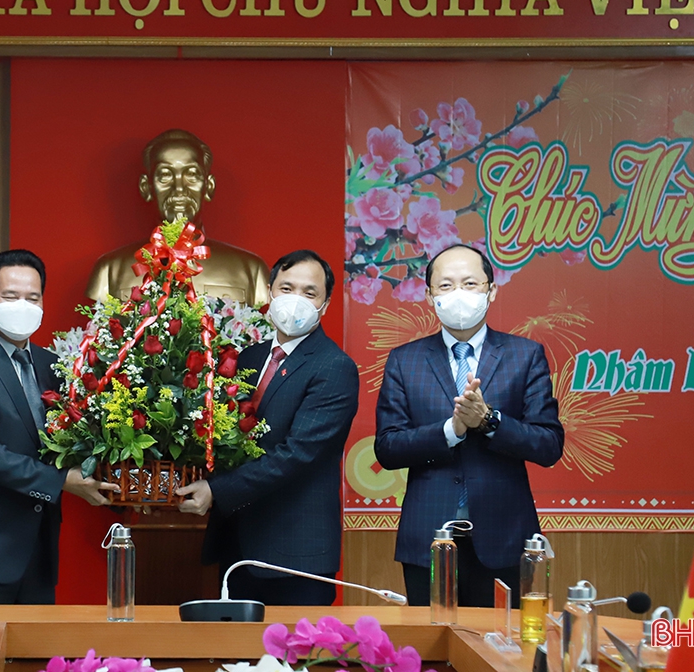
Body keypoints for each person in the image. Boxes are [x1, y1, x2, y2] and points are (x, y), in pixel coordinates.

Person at [374, 244, 563, 608]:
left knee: (501, 642)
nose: (458, 293)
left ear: (491, 291)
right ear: (429, 296)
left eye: (470, 283)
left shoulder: (525, 355)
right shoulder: (404, 360)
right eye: (446, 285)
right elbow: (388, 447)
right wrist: (452, 430)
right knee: (430, 641)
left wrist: (490, 421)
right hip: (429, 536)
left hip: (505, 537)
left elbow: (549, 444)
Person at [0, 249, 118, 604]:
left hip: (37, 552)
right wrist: (61, 482)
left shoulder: (52, 365)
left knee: (33, 642)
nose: (23, 306)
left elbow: (69, 440)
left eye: (32, 298)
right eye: (11, 296)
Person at [177, 250, 359, 605]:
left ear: (325, 305)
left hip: (295, 554)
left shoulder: (334, 367)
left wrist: (216, 490)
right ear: (271, 293)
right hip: (237, 545)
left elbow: (297, 454)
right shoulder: (249, 357)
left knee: (293, 644)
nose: (295, 299)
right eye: (286, 289)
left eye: (309, 293)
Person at [86, 129, 270, 306]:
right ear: (146, 187)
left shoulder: (250, 271)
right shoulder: (110, 271)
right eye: (165, 175)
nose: (179, 188)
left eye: (192, 174)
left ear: (209, 186)